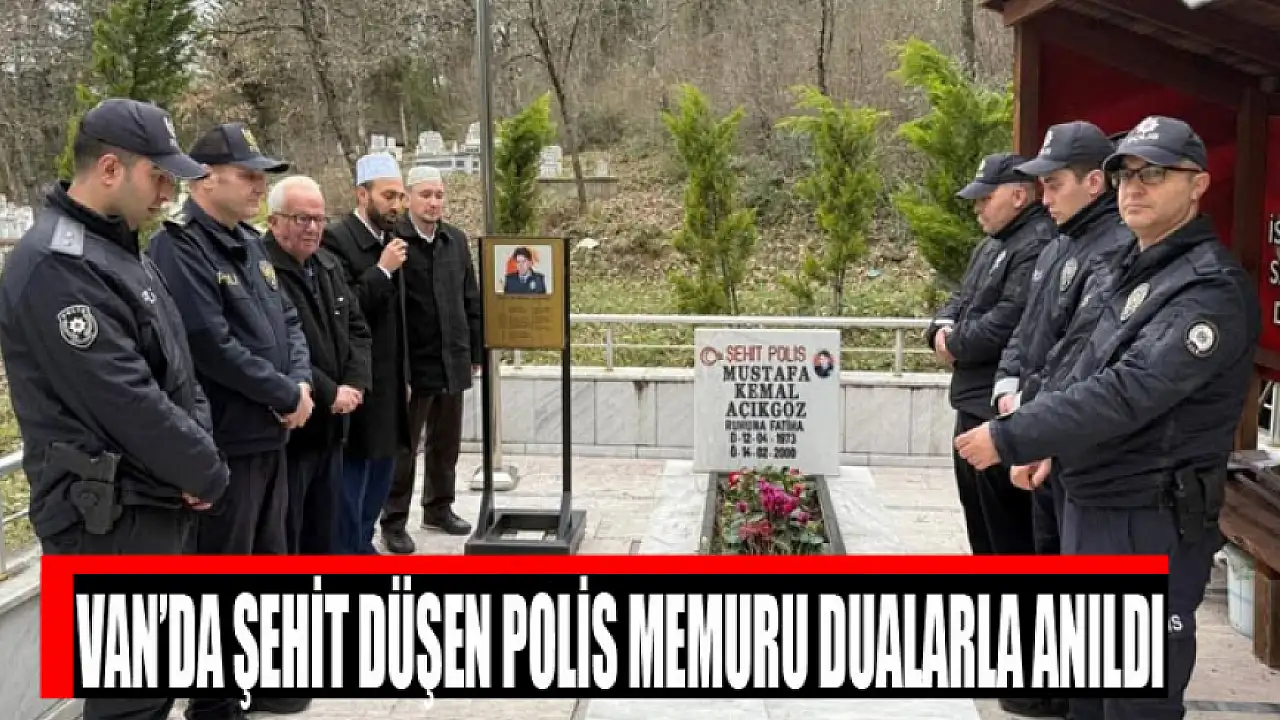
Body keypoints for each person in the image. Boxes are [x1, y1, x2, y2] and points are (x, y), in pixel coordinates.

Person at [956, 116, 1261, 719]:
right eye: (1126, 173)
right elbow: (1078, 361)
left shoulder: (1210, 290)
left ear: (1198, 185)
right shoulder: (1132, 266)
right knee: (1089, 693)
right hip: (1092, 501)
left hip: (1148, 517)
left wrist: (1014, 435)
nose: (1135, 187)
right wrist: (1045, 443)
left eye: (1156, 174)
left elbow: (1129, 390)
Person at [0, 99, 228, 720]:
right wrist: (204, 470)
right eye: (158, 177)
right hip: (106, 521)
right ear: (109, 169)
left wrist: (198, 460)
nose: (168, 193)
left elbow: (179, 369)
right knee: (129, 700)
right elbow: (125, 399)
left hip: (152, 503)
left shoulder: (119, 251)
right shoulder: (58, 265)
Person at [987, 121, 1131, 720]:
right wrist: (1007, 385)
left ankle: (1069, 692)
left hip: (1075, 440)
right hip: (1042, 425)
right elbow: (1027, 334)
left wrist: (1036, 416)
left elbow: (1083, 350)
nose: (1044, 197)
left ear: (1095, 182)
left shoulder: (1115, 250)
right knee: (1045, 555)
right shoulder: (1057, 245)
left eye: (1055, 184)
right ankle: (1051, 685)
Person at [925, 152, 1055, 564]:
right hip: (971, 402)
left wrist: (955, 344)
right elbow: (958, 300)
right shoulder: (990, 245)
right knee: (982, 532)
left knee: (1008, 538)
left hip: (998, 407)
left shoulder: (1037, 244)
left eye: (986, 198)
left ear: (1018, 195)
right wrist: (938, 331)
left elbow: (1009, 321)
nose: (977, 208)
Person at [264, 175, 372, 559]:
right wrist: (330, 392)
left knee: (325, 535)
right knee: (289, 535)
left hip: (334, 429)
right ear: (274, 221)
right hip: (294, 431)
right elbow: (281, 348)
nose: (312, 228)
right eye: (301, 219)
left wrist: (355, 383)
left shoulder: (327, 265)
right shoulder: (262, 271)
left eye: (319, 219)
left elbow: (357, 328)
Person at [379, 166, 480, 551]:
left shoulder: (455, 240)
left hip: (451, 357)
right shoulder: (395, 242)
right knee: (404, 447)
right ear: (409, 198)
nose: (434, 202)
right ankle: (394, 520)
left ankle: (439, 507)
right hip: (412, 363)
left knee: (446, 442)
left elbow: (470, 297)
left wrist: (474, 350)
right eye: (425, 195)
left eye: (439, 195)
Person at [321, 152, 411, 554]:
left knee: (383, 469)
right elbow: (344, 309)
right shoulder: (336, 240)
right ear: (362, 195)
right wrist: (382, 270)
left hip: (390, 377)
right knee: (354, 473)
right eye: (388, 196)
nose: (397, 205)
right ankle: (348, 548)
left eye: (400, 197)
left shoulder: (391, 240)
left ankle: (363, 541)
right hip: (356, 378)